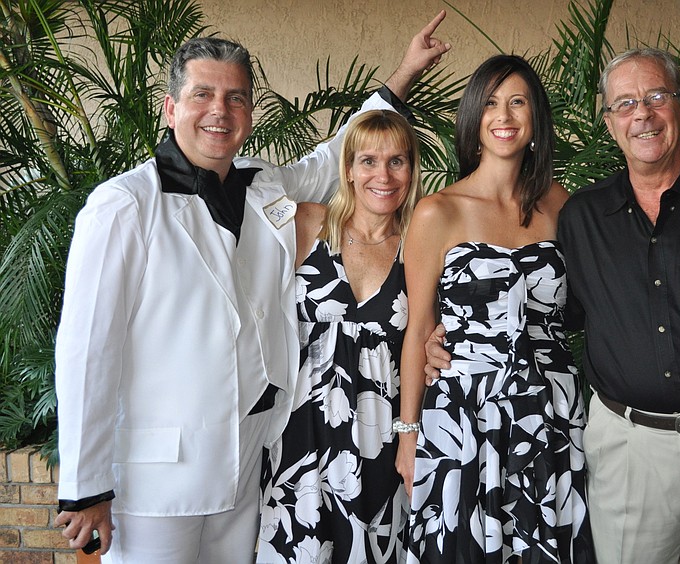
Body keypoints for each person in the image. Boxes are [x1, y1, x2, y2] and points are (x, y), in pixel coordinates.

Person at [52, 13, 450, 563]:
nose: (220, 110)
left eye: (236, 98)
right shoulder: (123, 206)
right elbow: (87, 352)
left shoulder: (264, 186)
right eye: (203, 94)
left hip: (248, 470)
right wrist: (85, 487)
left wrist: (403, 73)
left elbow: (336, 157)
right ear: (171, 109)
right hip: (156, 484)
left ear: (250, 113)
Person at [427, 47, 680, 563]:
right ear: (610, 120)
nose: (642, 113)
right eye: (625, 103)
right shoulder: (582, 216)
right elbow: (539, 306)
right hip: (627, 445)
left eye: (656, 96)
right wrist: (438, 336)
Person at [397, 54, 595, 563]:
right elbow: (419, 327)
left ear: (534, 120)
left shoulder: (559, 204)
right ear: (473, 118)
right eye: (490, 103)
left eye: (517, 103)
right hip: (464, 414)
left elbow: (593, 302)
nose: (503, 116)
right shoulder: (438, 211)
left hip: (550, 409)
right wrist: (408, 434)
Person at [256, 109, 422, 563]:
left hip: (383, 436)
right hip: (300, 432)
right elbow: (245, 191)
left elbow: (433, 327)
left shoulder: (422, 243)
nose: (382, 175)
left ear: (412, 169)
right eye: (368, 161)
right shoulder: (308, 223)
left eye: (397, 161)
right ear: (347, 168)